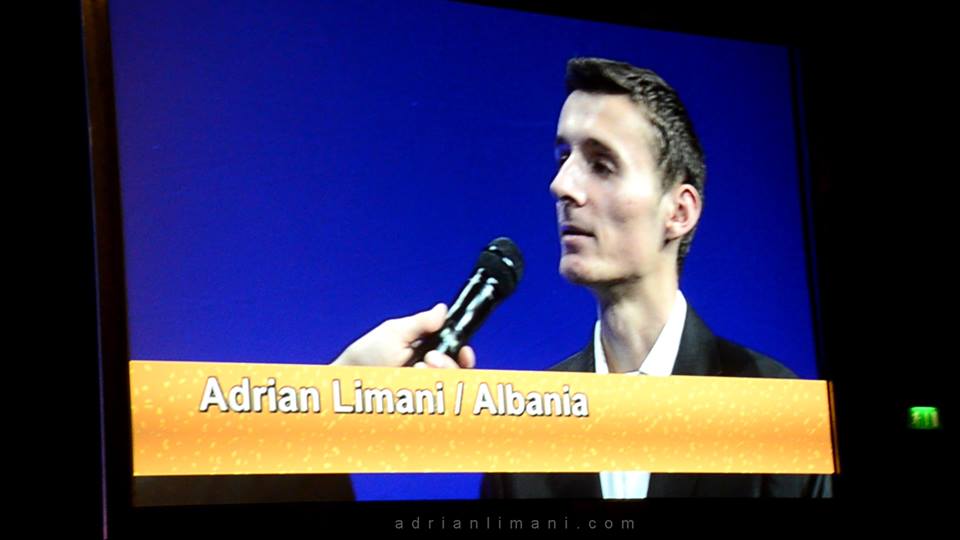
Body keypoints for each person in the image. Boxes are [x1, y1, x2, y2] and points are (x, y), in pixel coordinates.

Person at [335, 57, 832, 498]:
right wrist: (343, 398)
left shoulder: (773, 408)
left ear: (679, 212)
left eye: (601, 163)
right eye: (563, 159)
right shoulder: (527, 429)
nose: (561, 185)